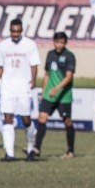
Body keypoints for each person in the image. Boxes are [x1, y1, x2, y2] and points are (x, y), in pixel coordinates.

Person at [0, 18, 39, 162]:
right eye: (13, 31)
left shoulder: (30, 45)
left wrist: (33, 80)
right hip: (8, 88)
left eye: (17, 31)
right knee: (8, 119)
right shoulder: (3, 46)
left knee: (26, 120)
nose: (15, 34)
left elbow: (34, 64)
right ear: (10, 31)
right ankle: (9, 153)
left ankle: (30, 148)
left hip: (24, 87)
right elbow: (0, 67)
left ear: (21, 31)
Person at [33, 31, 77, 159]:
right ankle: (37, 148)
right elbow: (47, 74)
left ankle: (70, 151)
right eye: (57, 42)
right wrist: (43, 91)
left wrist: (57, 89)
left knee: (67, 121)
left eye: (62, 43)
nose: (59, 45)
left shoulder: (69, 56)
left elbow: (69, 77)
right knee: (42, 118)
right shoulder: (50, 55)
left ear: (65, 43)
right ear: (53, 42)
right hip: (50, 94)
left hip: (64, 95)